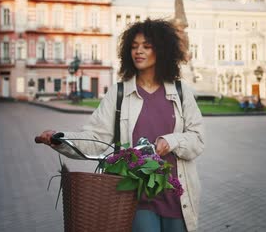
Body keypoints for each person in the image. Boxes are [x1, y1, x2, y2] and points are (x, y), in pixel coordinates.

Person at [36, 18, 205, 232]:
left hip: (178, 197)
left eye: (146, 46)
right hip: (136, 197)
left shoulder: (181, 92)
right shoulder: (119, 94)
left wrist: (170, 141)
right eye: (134, 47)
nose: (138, 51)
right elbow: (96, 139)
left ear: (161, 50)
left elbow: (198, 139)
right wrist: (60, 139)